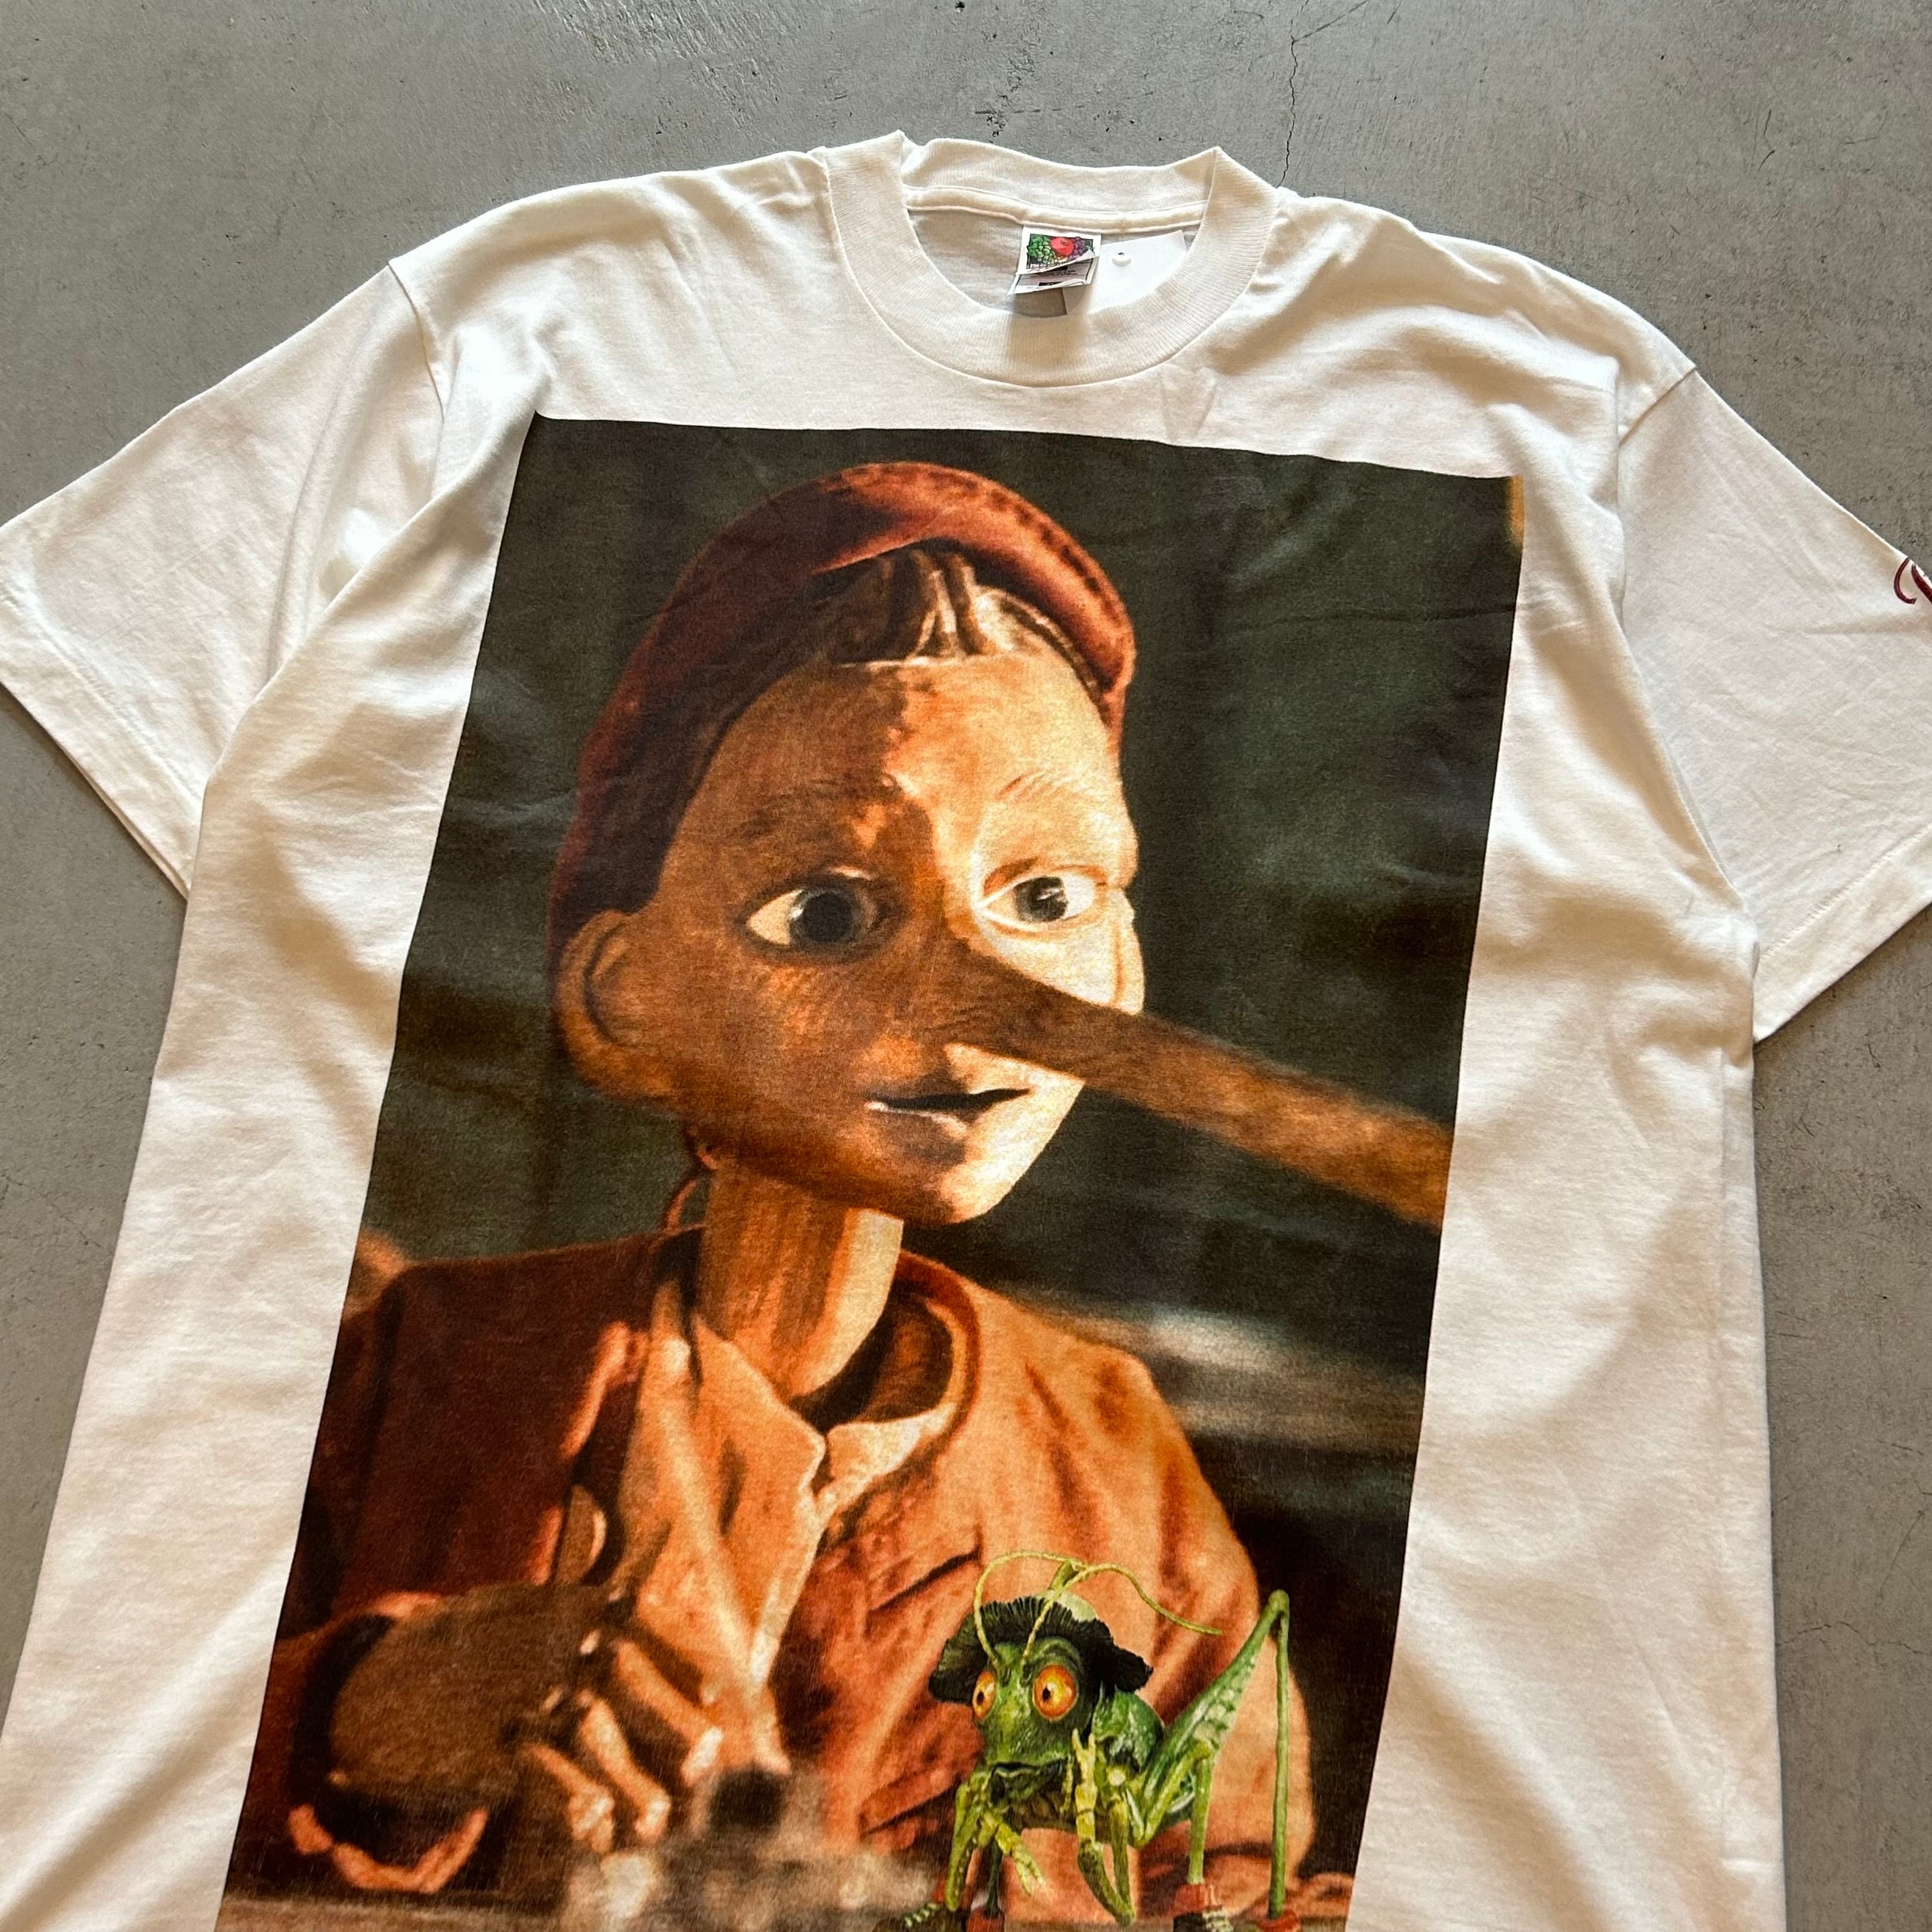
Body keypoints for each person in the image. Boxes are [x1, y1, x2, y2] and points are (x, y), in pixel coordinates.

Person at [225, 462, 1318, 1920]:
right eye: (826, 912)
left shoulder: (1112, 1464)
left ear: (1120, 963)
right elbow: (105, 1732)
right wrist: (364, 1709)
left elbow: (1231, 1877)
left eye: (1046, 898)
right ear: (623, 995)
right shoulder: (418, 1373)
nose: (977, 998)